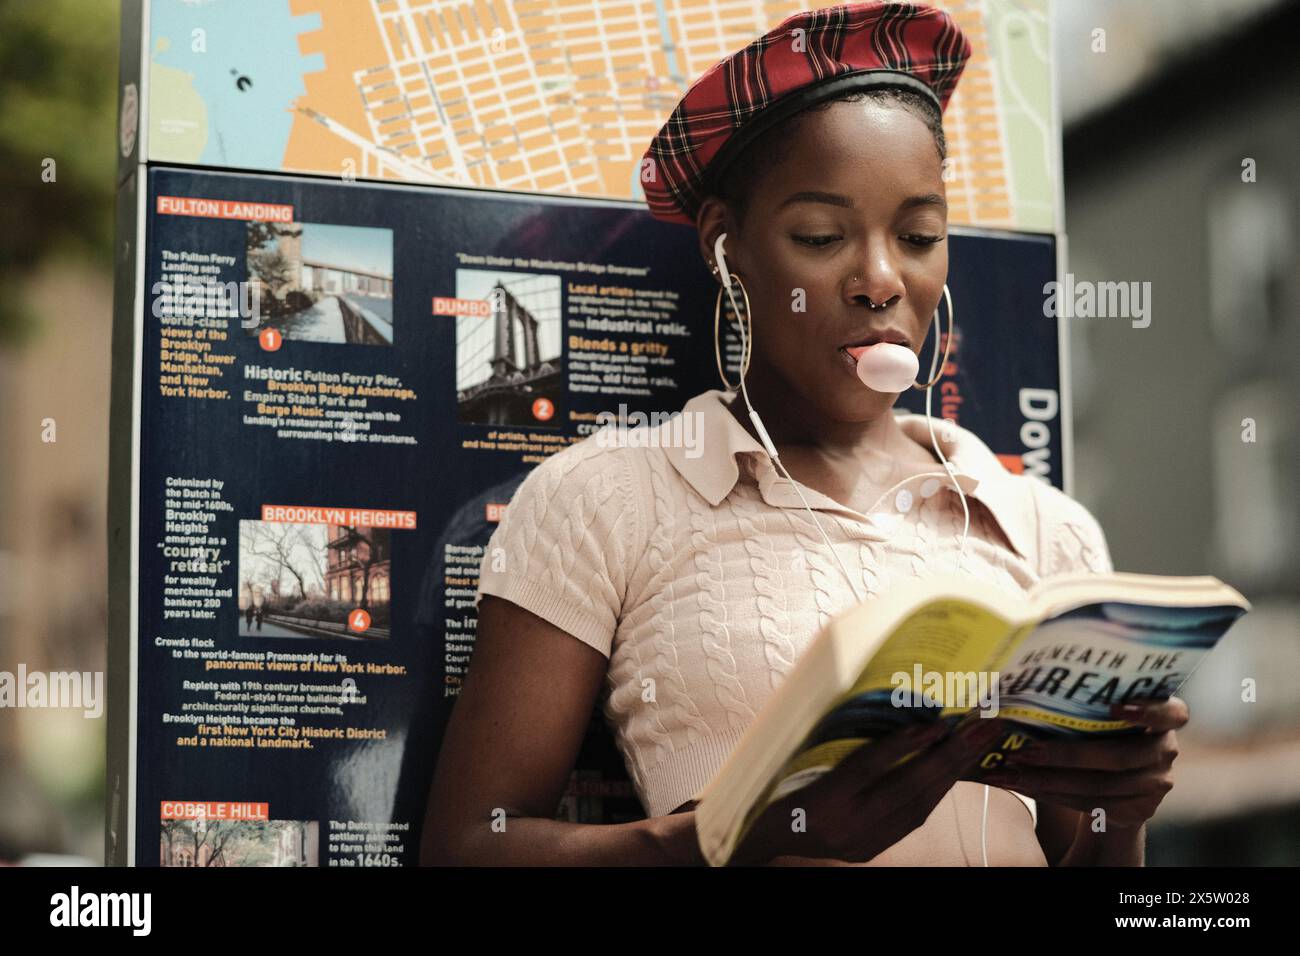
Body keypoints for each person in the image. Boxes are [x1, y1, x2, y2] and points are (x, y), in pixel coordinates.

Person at [421, 1, 1185, 866]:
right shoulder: (606, 499)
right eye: (822, 236)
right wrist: (737, 838)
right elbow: (463, 847)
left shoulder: (1048, 531)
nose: (880, 280)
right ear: (727, 247)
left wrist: (1124, 813)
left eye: (920, 235)